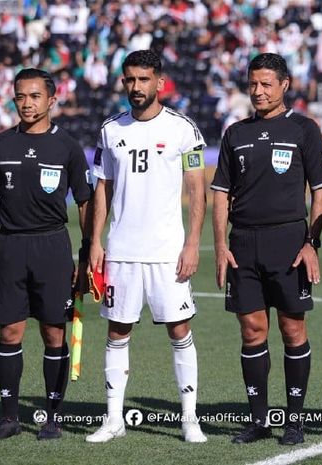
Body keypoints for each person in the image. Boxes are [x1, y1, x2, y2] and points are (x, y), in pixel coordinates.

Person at [211, 53, 322, 446]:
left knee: (292, 328)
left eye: (266, 84)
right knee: (251, 331)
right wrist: (219, 246)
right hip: (243, 243)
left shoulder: (304, 129)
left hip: (289, 242)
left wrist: (311, 242)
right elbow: (220, 196)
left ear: (285, 85)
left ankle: (294, 421)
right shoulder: (235, 133)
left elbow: (320, 192)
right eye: (252, 84)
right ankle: (259, 420)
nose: (258, 91)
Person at [85, 50, 207, 443]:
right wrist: (95, 243)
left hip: (167, 251)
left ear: (160, 82)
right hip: (121, 250)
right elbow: (101, 191)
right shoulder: (110, 130)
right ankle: (113, 419)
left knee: (179, 329)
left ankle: (189, 418)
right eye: (129, 80)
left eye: (143, 79)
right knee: (117, 332)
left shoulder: (183, 129)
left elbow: (196, 190)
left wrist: (192, 244)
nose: (135, 87)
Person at [0, 68, 93, 440]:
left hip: (52, 247)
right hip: (9, 246)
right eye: (21, 97)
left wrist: (87, 252)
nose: (27, 103)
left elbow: (86, 203)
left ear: (52, 100)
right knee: (10, 331)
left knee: (53, 333)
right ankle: (9, 417)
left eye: (35, 96)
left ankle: (52, 417)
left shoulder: (68, 147)